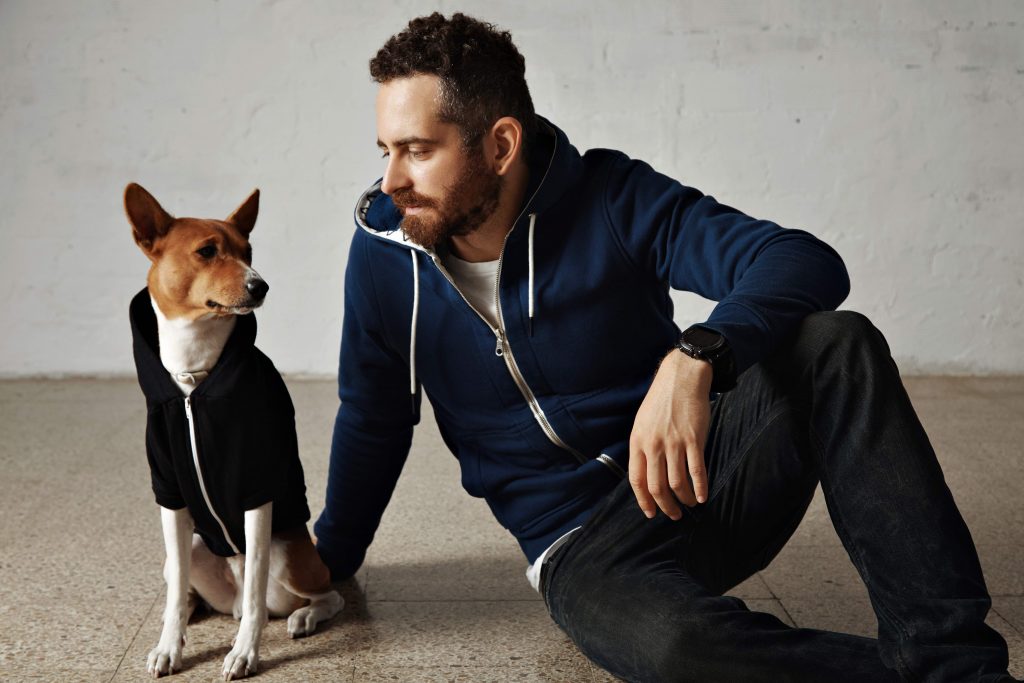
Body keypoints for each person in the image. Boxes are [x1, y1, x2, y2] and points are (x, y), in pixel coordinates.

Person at [313, 12, 1014, 682]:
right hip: (582, 547)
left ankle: (955, 659)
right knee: (679, 648)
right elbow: (373, 415)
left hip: (703, 476)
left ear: (499, 145)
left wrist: (698, 355)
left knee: (836, 340)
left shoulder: (612, 198)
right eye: (387, 151)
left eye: (418, 150)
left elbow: (802, 259)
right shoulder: (384, 255)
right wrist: (330, 556)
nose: (392, 180)